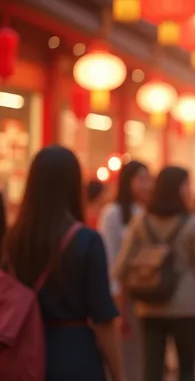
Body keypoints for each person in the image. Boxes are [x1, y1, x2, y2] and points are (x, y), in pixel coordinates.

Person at [1, 146, 123, 381]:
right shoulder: (87, 241)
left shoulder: (12, 240)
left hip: (21, 351)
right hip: (74, 354)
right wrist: (119, 373)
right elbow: (103, 317)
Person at [114, 167, 195, 381]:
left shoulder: (140, 222)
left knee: (152, 371)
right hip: (186, 306)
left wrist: (124, 309)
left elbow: (121, 268)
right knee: (186, 370)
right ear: (177, 189)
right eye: (187, 184)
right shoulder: (191, 224)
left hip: (149, 307)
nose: (189, 190)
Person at [98, 160, 152, 381]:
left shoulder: (145, 211)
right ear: (127, 181)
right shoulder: (113, 213)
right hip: (121, 295)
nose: (147, 185)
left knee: (141, 356)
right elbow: (110, 259)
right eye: (141, 179)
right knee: (123, 355)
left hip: (144, 293)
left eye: (149, 179)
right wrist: (117, 302)